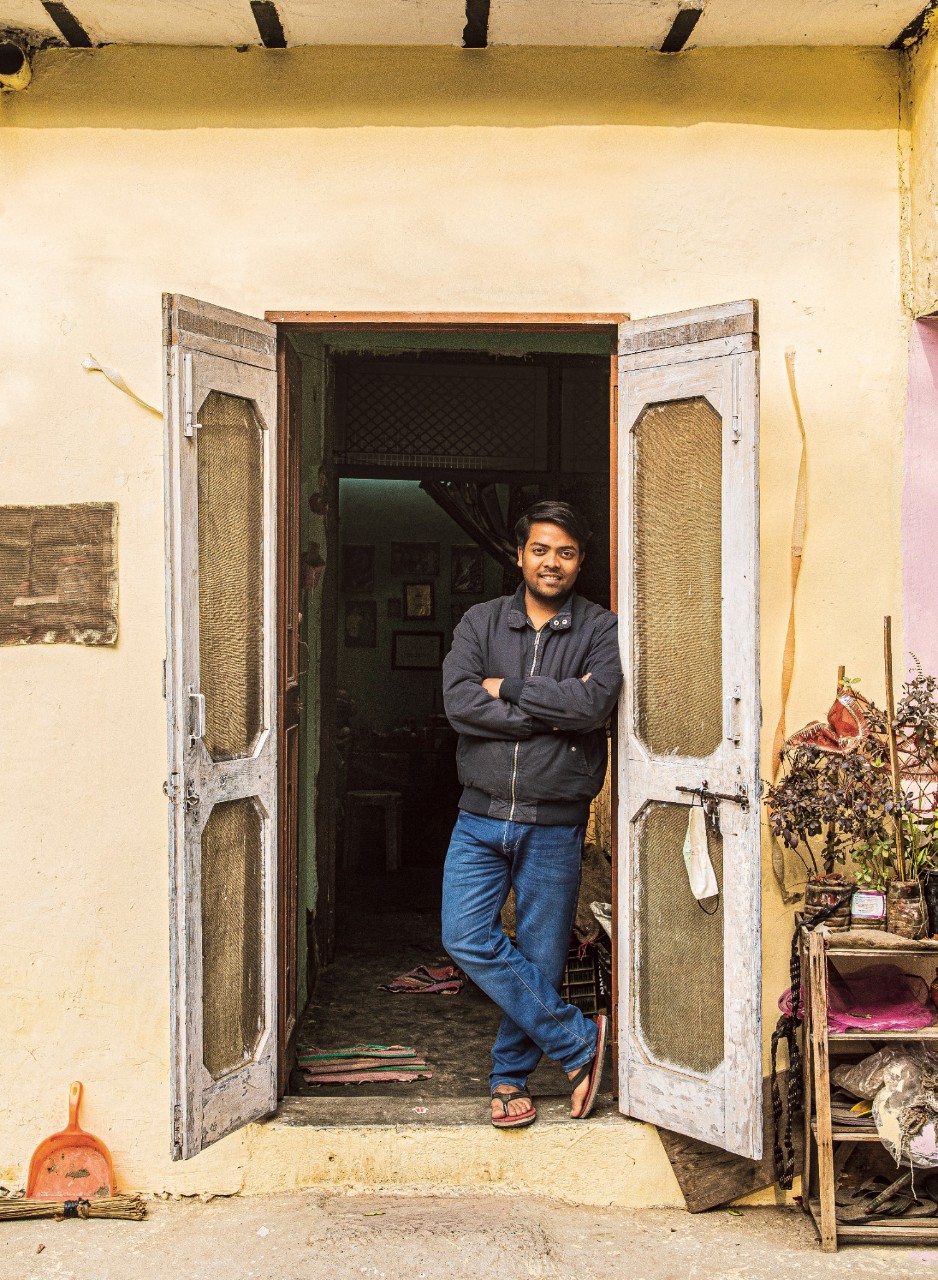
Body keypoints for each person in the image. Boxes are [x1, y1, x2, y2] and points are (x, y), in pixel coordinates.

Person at [440, 500, 622, 1129]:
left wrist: (510, 687)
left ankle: (509, 1078)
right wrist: (554, 709)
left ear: (580, 562)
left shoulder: (600, 628)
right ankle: (579, 1043)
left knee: (541, 957)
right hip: (480, 816)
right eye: (541, 550)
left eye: (566, 552)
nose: (552, 563)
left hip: (555, 820)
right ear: (518, 555)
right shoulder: (480, 622)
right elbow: (460, 703)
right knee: (464, 935)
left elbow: (595, 705)